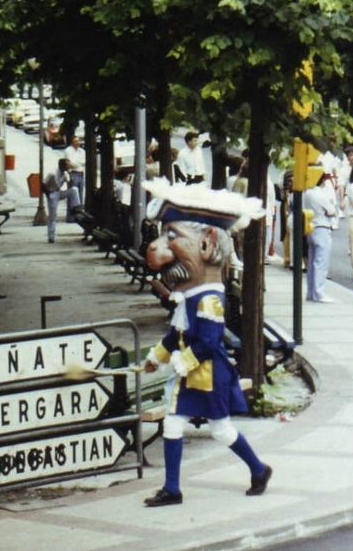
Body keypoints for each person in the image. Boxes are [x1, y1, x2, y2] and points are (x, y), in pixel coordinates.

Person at [139, 179, 270, 506]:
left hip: (209, 377)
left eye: (172, 236)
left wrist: (181, 362)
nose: (159, 247)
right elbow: (179, 333)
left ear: (207, 245)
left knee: (221, 430)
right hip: (195, 375)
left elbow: (209, 342)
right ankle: (172, 488)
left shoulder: (209, 298)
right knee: (173, 423)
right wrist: (158, 355)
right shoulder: (192, 296)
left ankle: (258, 468)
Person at [303, 172, 338, 303]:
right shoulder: (321, 194)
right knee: (321, 263)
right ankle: (319, 293)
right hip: (322, 227)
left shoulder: (306, 193)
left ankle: (311, 291)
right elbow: (331, 211)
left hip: (310, 227)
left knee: (312, 263)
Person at [44, 158, 81, 243]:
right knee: (53, 215)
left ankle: (76, 207)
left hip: (59, 192)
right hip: (52, 194)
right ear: (62, 165)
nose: (69, 166)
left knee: (74, 190)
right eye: (67, 165)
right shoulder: (52, 173)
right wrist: (48, 194)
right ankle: (51, 236)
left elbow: (70, 185)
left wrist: (69, 176)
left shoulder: (65, 173)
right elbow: (43, 184)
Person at [63, 134, 87, 204]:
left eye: (78, 141)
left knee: (80, 194)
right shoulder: (68, 150)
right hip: (73, 174)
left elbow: (84, 161)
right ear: (72, 142)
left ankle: (80, 211)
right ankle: (71, 214)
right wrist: (78, 163)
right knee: (72, 196)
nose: (78, 143)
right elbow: (71, 163)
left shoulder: (82, 151)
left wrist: (76, 163)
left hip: (81, 174)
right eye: (75, 141)